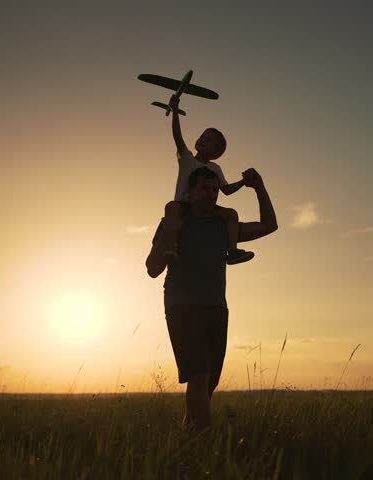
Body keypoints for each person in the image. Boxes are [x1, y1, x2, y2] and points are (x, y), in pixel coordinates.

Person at [146, 166, 278, 430]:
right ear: (191, 192)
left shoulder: (223, 226)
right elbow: (152, 269)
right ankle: (205, 442)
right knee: (198, 376)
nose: (211, 194)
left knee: (209, 382)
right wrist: (169, 235)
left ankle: (188, 437)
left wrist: (259, 187)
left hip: (216, 306)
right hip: (182, 305)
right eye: (205, 188)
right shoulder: (174, 222)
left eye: (215, 189)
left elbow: (269, 225)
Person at [162, 94, 254, 266]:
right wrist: (175, 112)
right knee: (171, 207)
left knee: (232, 214)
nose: (202, 139)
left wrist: (243, 182)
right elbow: (178, 137)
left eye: (209, 139)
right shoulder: (188, 158)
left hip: (206, 208)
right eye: (202, 136)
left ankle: (232, 251)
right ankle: (171, 246)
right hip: (185, 206)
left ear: (216, 152)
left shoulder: (215, 168)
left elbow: (226, 190)